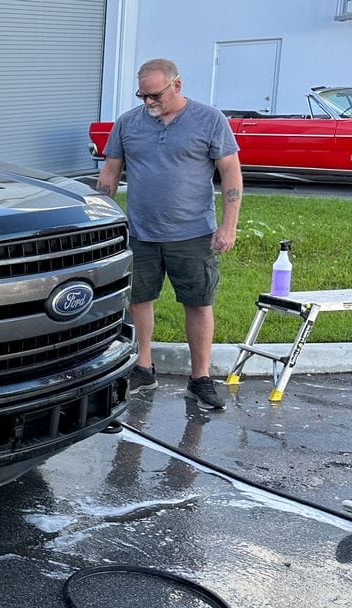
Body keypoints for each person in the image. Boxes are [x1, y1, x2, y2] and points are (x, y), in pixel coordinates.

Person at [96, 58, 242, 411]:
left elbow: (231, 175)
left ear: (177, 85)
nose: (148, 102)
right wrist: (99, 218)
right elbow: (109, 174)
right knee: (138, 300)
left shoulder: (209, 120)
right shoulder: (128, 124)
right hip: (141, 233)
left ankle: (200, 378)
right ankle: (144, 368)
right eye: (142, 95)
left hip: (192, 234)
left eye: (154, 95)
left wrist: (228, 226)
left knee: (198, 302)